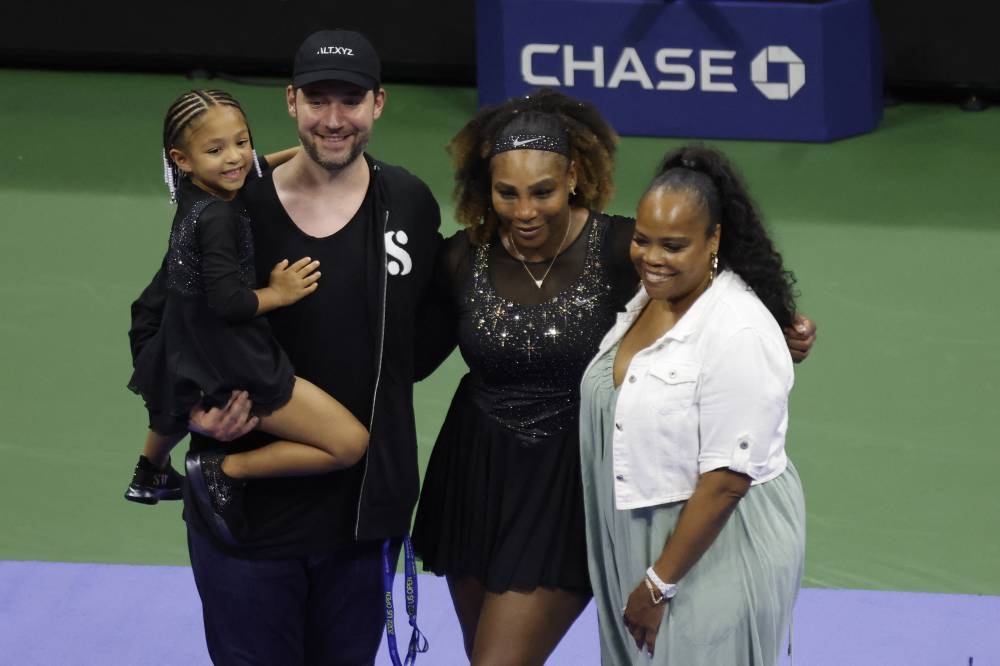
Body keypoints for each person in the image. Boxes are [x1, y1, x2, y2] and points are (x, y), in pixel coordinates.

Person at [410, 90, 816, 664]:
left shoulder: (625, 249)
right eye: (508, 193)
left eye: (542, 191)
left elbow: (708, 283)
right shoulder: (461, 259)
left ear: (573, 176)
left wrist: (782, 325)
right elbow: (411, 357)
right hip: (473, 479)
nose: (524, 210)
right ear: (487, 188)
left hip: (566, 488)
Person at [128, 31, 442, 665]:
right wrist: (189, 408)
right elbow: (154, 321)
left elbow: (425, 341)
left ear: (378, 104)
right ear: (291, 101)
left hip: (359, 515)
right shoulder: (232, 203)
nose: (333, 120)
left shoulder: (407, 202)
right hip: (243, 520)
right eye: (317, 100)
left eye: (350, 101)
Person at [578, 144, 806, 665]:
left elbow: (727, 481)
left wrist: (658, 583)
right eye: (643, 239)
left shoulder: (740, 329)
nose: (652, 258)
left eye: (674, 245)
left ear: (714, 241)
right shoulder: (647, 299)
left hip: (714, 543)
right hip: (648, 534)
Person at [125, 89, 369, 547]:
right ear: (181, 158)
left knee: (173, 404)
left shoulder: (200, 189)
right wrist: (279, 293)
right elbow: (229, 303)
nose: (236, 158)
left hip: (184, 342)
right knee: (349, 444)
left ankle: (149, 471)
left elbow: (256, 165)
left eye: (242, 142)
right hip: (233, 359)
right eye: (216, 150)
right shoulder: (217, 217)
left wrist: (319, 145)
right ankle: (222, 471)